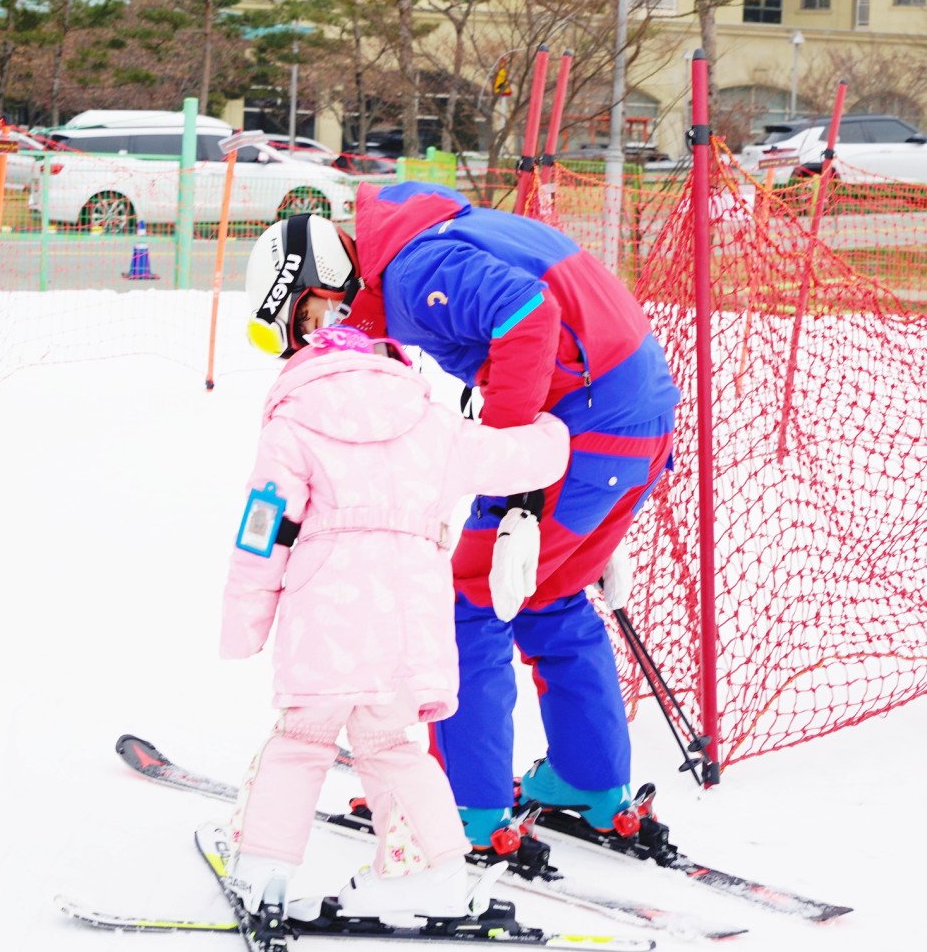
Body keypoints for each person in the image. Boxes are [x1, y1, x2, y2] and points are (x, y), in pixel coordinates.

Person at [242, 188, 680, 856]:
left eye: (311, 322)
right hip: (630, 418)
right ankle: (589, 779)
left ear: (325, 284)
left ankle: (463, 801)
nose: (326, 342)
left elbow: (528, 316)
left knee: (467, 602)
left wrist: (520, 499)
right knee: (549, 594)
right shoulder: (429, 237)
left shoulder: (413, 272)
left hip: (584, 423)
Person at [221, 307, 570, 921]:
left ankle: (265, 871)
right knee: (390, 745)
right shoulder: (432, 424)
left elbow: (263, 529)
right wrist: (552, 429)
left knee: (301, 740)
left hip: (325, 616)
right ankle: (431, 874)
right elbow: (521, 458)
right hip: (409, 619)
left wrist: (246, 621)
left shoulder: (294, 424)